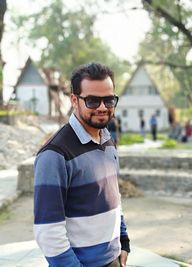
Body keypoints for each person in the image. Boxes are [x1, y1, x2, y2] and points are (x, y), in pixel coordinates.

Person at [34, 62, 130, 267]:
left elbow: (114, 198)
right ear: (75, 100)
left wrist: (123, 242)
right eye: (93, 100)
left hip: (114, 260)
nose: (103, 107)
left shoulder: (107, 141)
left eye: (109, 100)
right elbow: (48, 232)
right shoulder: (55, 154)